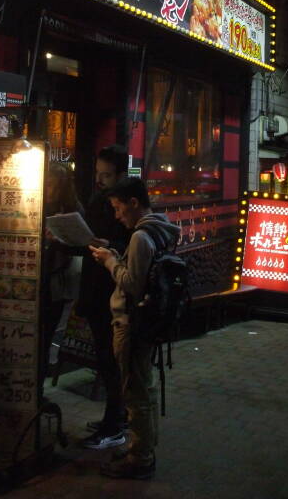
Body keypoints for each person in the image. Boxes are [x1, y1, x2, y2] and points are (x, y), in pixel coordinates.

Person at [90, 177, 180, 480]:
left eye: (118, 208)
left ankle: (140, 458)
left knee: (134, 392)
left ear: (133, 203)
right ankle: (143, 447)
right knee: (146, 386)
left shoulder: (141, 237)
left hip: (132, 322)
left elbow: (132, 284)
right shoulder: (162, 227)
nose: (117, 216)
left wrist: (110, 261)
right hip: (150, 321)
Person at [76, 144, 130, 450]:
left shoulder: (124, 204)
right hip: (98, 287)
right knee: (106, 359)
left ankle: (115, 425)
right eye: (98, 174)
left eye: (106, 175)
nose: (100, 180)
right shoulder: (105, 198)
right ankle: (115, 417)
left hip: (109, 292)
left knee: (111, 361)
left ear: (121, 174)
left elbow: (128, 244)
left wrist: (108, 245)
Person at [41, 163, 84, 382]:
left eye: (54, 186)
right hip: (36, 275)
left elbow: (83, 243)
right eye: (47, 184)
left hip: (56, 279)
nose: (49, 190)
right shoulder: (35, 203)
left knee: (48, 329)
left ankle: (41, 375)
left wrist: (60, 242)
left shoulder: (72, 208)